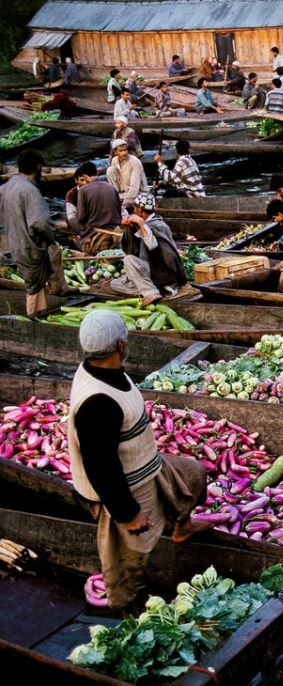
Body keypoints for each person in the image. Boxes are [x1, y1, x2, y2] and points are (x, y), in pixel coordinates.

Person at [68, 308, 211, 612]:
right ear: (120, 345)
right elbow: (101, 466)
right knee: (132, 551)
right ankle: (125, 601)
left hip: (147, 464)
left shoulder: (104, 368)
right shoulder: (97, 403)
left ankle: (181, 527)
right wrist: (127, 513)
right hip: (124, 485)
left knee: (194, 474)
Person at [0, 150, 71, 316]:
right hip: (29, 246)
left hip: (15, 241)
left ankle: (40, 313)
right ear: (39, 167)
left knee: (35, 287)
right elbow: (40, 223)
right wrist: (52, 238)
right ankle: (33, 319)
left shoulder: (8, 185)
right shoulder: (30, 190)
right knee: (34, 287)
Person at [110, 192, 188, 304]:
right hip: (151, 270)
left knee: (129, 260)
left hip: (162, 271)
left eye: (135, 208)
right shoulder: (146, 224)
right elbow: (129, 247)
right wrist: (128, 227)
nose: (134, 211)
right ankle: (149, 289)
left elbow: (152, 245)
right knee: (115, 284)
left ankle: (150, 292)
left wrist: (141, 225)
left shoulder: (159, 225)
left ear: (141, 210)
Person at [68, 162, 122, 251]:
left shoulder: (83, 190)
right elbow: (119, 212)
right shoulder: (111, 187)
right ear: (96, 173)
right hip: (114, 228)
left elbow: (81, 218)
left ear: (85, 176)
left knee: (72, 220)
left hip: (95, 231)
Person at [106, 139, 149, 208]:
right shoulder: (114, 161)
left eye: (125, 150)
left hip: (138, 195)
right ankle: (116, 196)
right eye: (121, 151)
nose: (124, 153)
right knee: (110, 170)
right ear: (115, 152)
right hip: (123, 194)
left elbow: (134, 188)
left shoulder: (134, 162)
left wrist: (124, 205)